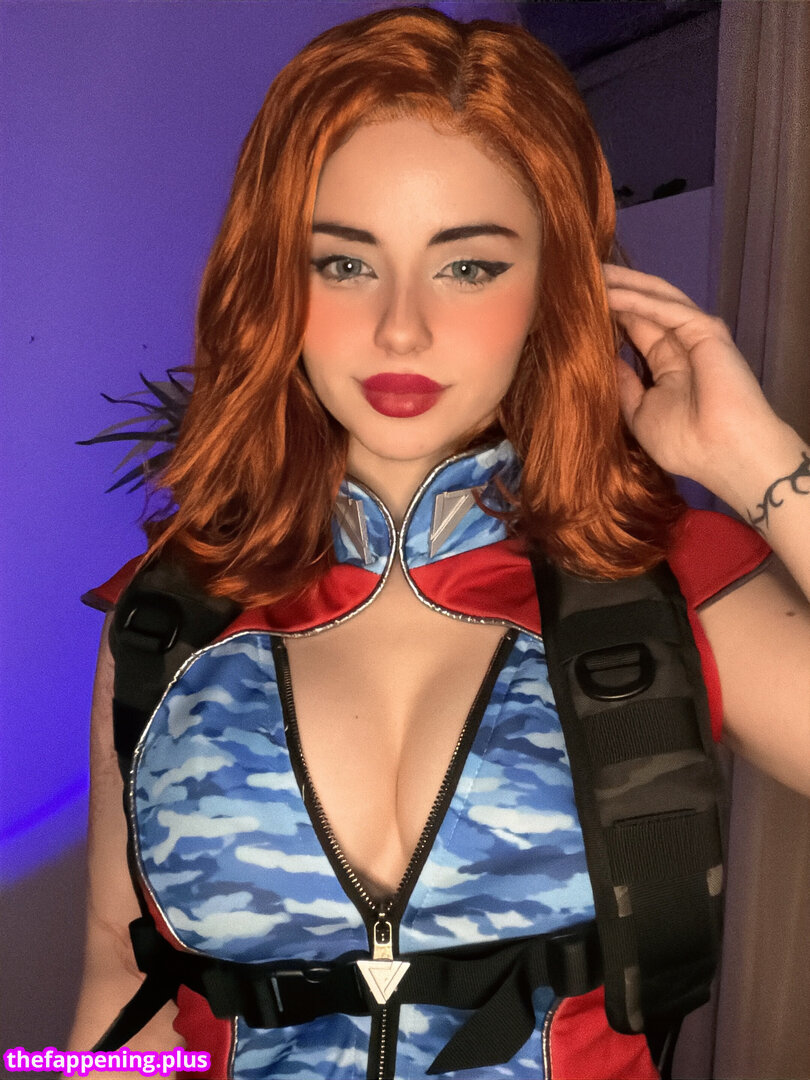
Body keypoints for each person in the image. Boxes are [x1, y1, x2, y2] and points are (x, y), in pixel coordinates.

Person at [69, 7, 810, 1079]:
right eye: (344, 263)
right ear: (276, 280)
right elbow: (118, 974)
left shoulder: (662, 589)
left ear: (556, 286)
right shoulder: (167, 616)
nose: (401, 328)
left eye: (468, 268)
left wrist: (757, 461)